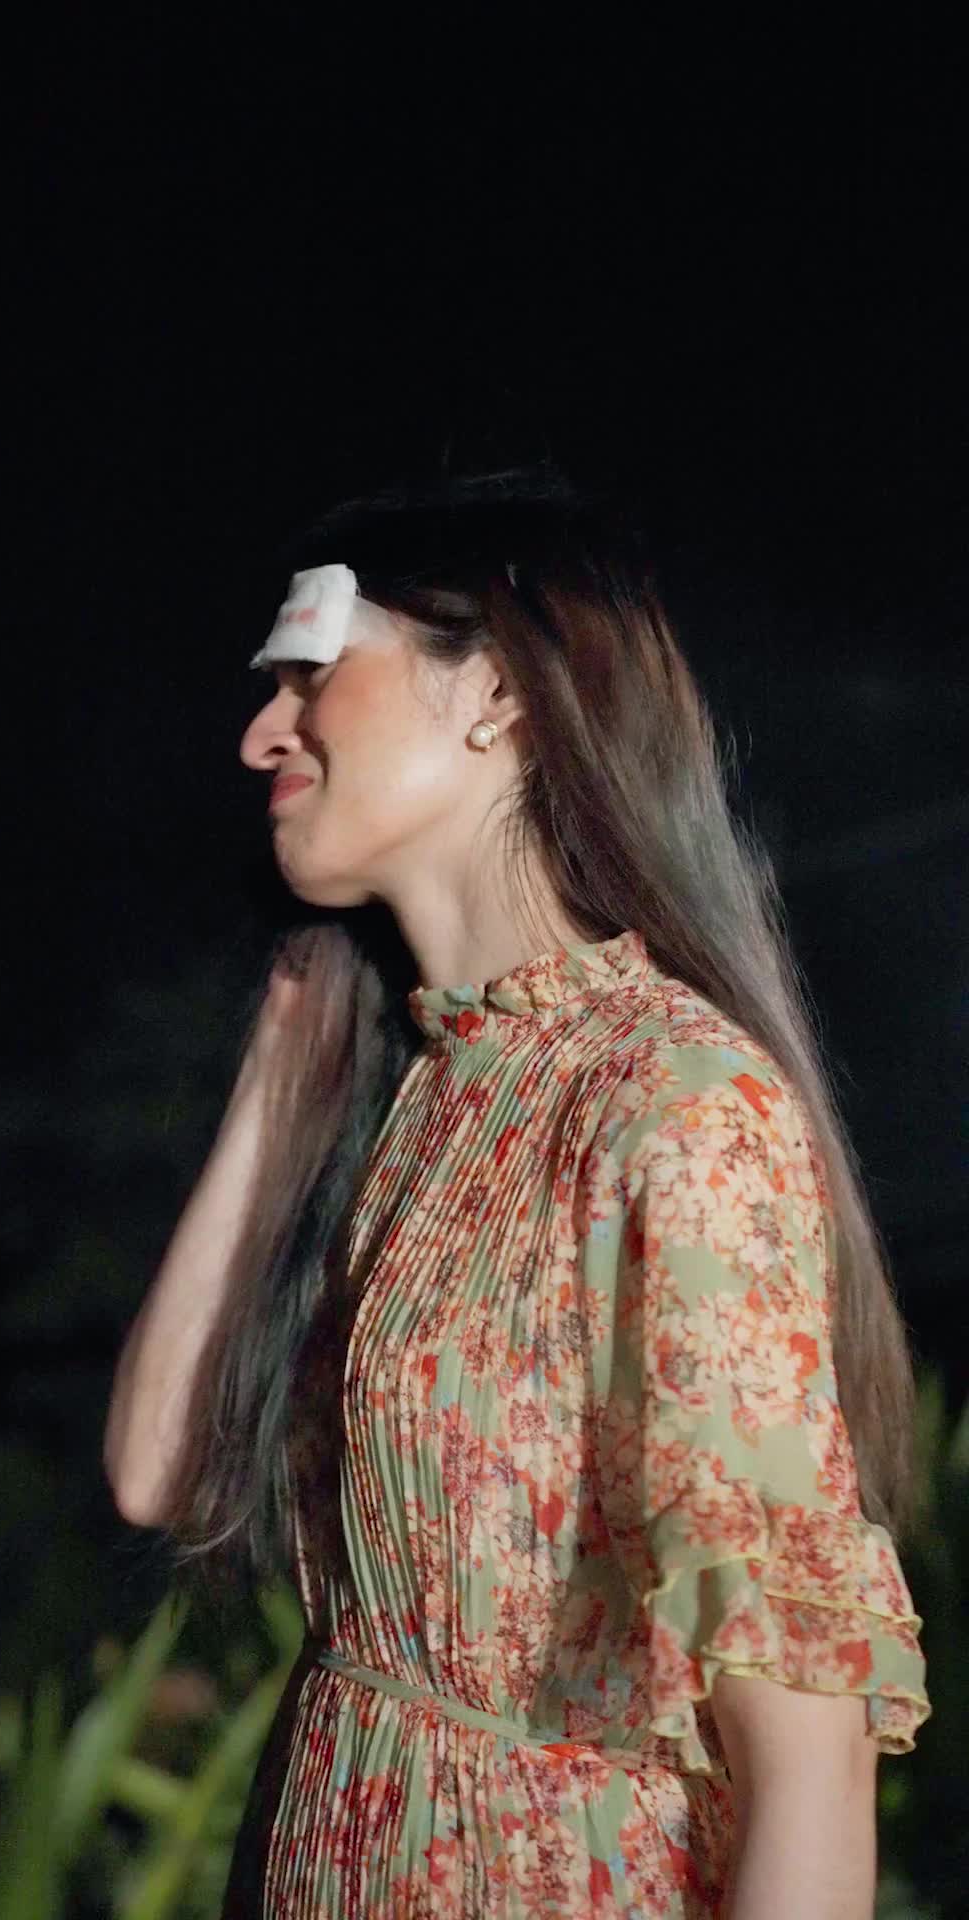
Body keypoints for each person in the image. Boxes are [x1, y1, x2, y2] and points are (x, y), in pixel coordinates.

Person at [104, 468, 930, 1917]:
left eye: (310, 673)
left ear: (495, 691)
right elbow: (156, 1469)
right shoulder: (432, 1090)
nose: (261, 733)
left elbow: (810, 1753)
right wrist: (286, 1064)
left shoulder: (673, 1101)